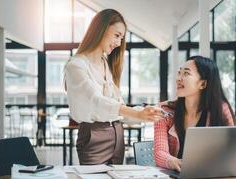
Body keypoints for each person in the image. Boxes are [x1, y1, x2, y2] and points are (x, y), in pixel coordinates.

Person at [64, 9, 163, 165]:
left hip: (117, 132)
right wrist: (137, 114)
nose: (118, 43)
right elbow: (96, 100)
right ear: (101, 28)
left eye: (121, 38)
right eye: (117, 35)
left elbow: (118, 104)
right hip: (94, 136)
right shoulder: (76, 65)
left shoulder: (107, 65)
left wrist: (143, 112)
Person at [154, 56, 236, 171]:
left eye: (186, 74)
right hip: (175, 178)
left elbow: (233, 148)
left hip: (213, 176)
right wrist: (173, 161)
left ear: (202, 84)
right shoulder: (164, 111)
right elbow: (160, 152)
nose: (178, 78)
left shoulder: (220, 109)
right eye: (179, 73)